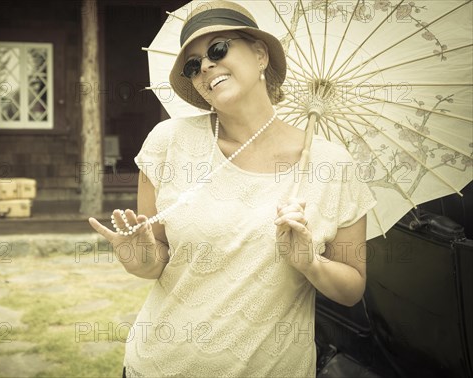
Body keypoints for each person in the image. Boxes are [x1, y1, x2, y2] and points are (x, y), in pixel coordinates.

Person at [89, 1, 377, 377]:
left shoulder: (331, 164)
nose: (205, 65)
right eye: (193, 65)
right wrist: (139, 259)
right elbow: (157, 259)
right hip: (158, 366)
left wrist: (311, 263)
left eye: (218, 49)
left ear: (260, 55)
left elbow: (352, 288)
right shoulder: (168, 142)